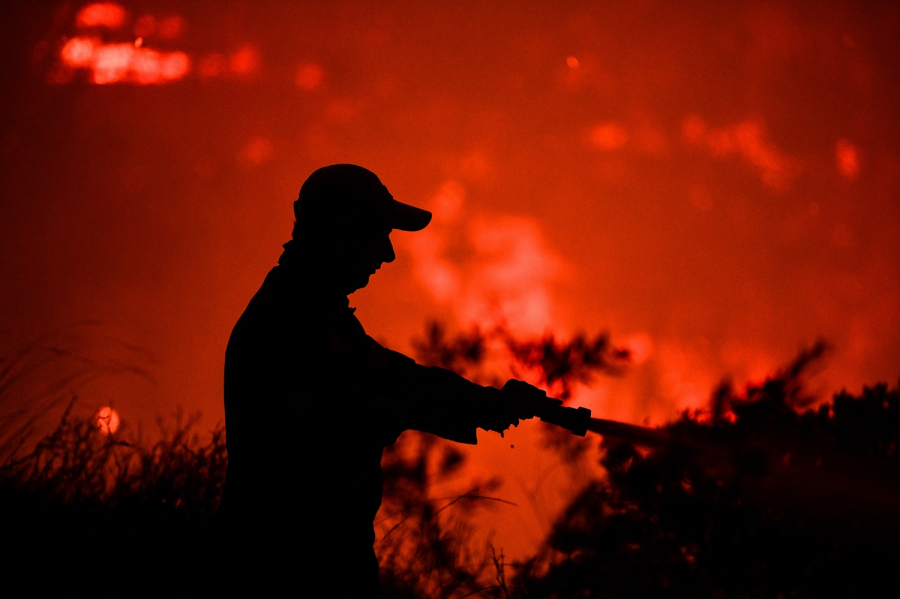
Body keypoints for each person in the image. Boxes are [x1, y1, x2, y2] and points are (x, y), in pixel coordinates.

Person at [221, 164, 550, 596]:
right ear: (342, 233)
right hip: (289, 571)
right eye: (378, 234)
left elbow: (394, 380)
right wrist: (488, 407)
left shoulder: (313, 314)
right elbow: (381, 393)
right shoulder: (292, 324)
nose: (388, 253)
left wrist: (491, 404)